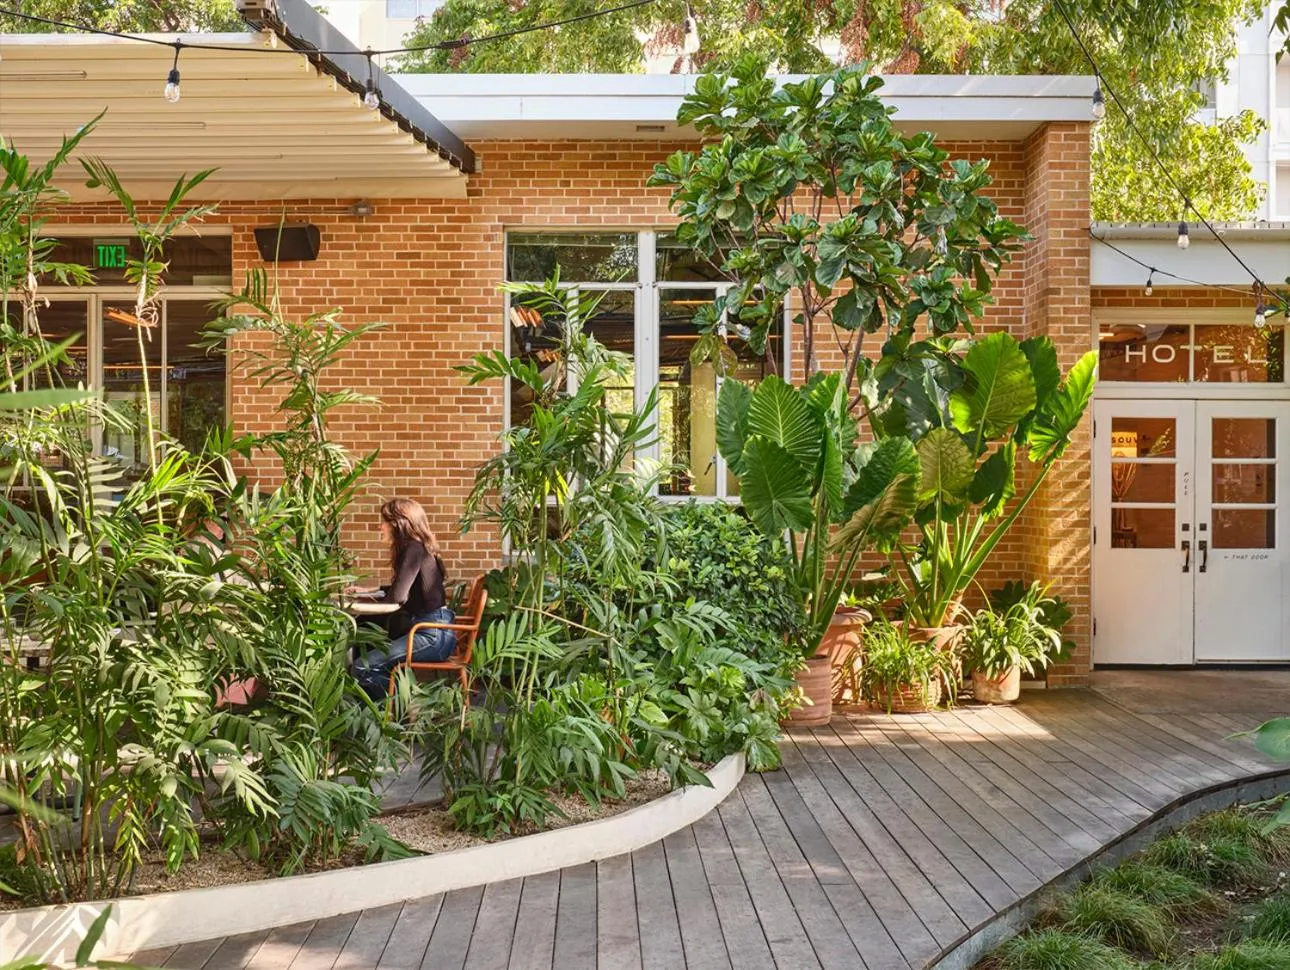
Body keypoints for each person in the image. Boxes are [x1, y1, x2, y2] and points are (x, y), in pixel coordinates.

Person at [348, 498, 456, 700]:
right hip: (434, 630)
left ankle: (398, 712)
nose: (380, 527)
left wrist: (363, 600)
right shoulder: (417, 547)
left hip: (431, 636)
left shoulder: (413, 548)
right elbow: (407, 590)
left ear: (397, 524)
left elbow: (397, 598)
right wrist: (368, 591)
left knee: (363, 666)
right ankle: (392, 712)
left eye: (384, 522)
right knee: (368, 647)